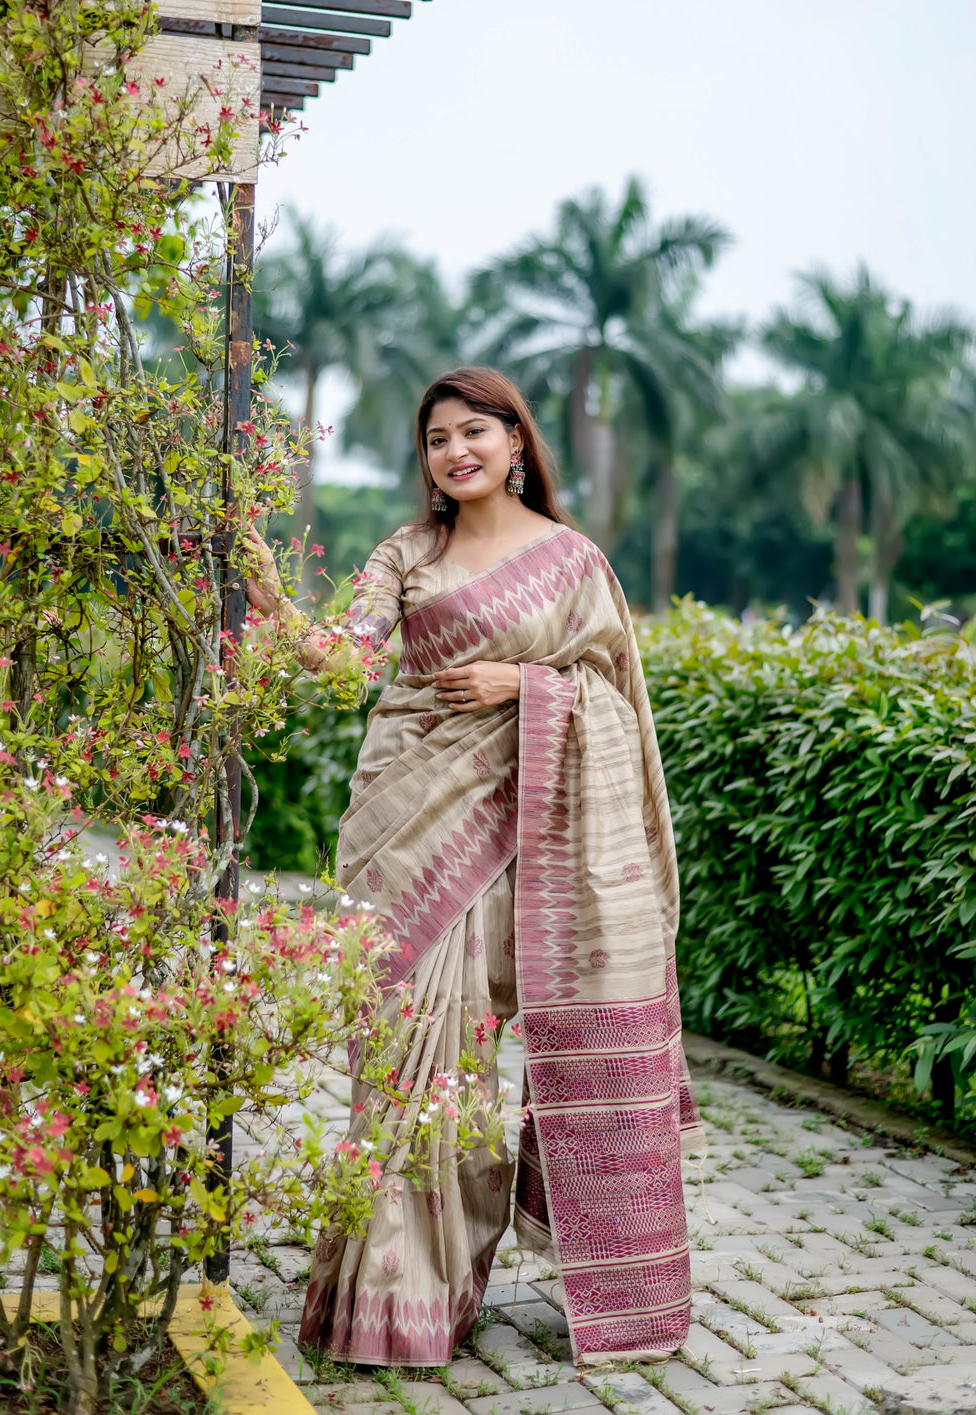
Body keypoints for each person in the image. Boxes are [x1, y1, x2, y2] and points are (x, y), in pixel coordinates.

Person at [244, 367, 704, 1370]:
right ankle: (398, 1302)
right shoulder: (408, 552)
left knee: (475, 1069)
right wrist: (279, 607)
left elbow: (616, 700)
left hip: (533, 847)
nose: (455, 452)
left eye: (474, 433)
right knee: (411, 1067)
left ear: (517, 443)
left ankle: (579, 1280)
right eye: (436, 440)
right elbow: (350, 656)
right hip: (411, 836)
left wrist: (525, 683)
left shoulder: (573, 562)